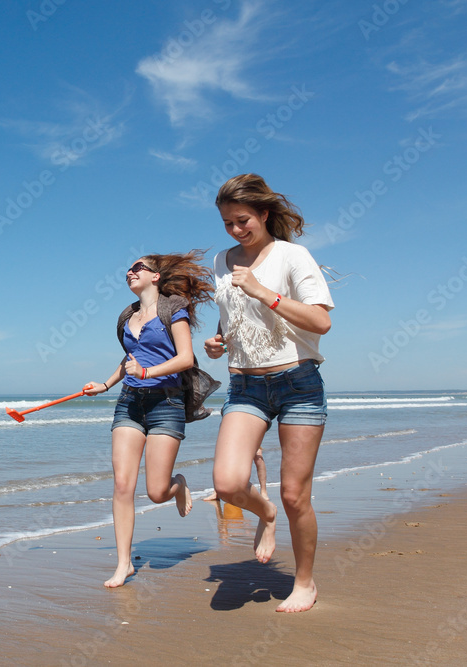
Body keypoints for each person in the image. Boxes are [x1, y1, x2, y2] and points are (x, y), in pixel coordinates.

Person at [203, 173, 333, 613]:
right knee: (227, 482)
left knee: (296, 495)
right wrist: (219, 341)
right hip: (245, 385)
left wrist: (265, 292)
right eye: (227, 223)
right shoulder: (221, 260)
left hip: (297, 382)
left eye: (243, 220)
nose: (236, 230)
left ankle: (304, 582)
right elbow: (234, 314)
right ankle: (266, 514)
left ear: (263, 214)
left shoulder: (292, 256)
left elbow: (321, 322)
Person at [85, 250, 214, 588]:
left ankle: (178, 483)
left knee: (157, 492)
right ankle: (123, 563)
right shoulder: (127, 315)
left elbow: (185, 358)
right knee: (122, 485)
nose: (130, 272)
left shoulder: (174, 309)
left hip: (166, 404)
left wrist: (148, 372)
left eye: (137, 267)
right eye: (127, 268)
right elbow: (130, 357)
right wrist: (106, 384)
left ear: (155, 276)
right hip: (129, 403)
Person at [202, 446, 267, 501]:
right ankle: (216, 492)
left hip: (251, 432)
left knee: (258, 457)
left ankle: (263, 491)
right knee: (223, 456)